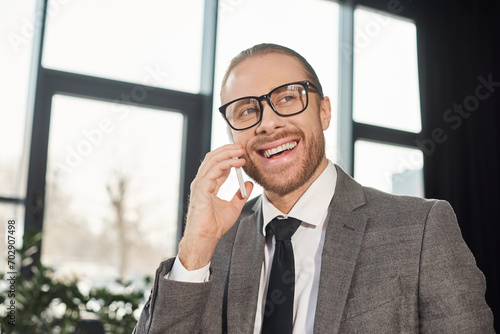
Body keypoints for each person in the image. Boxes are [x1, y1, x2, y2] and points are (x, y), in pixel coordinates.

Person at [133, 43, 494, 333]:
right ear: (232, 136)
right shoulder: (212, 247)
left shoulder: (421, 228)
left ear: (323, 112)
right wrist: (195, 248)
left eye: (287, 98)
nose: (268, 124)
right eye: (245, 111)